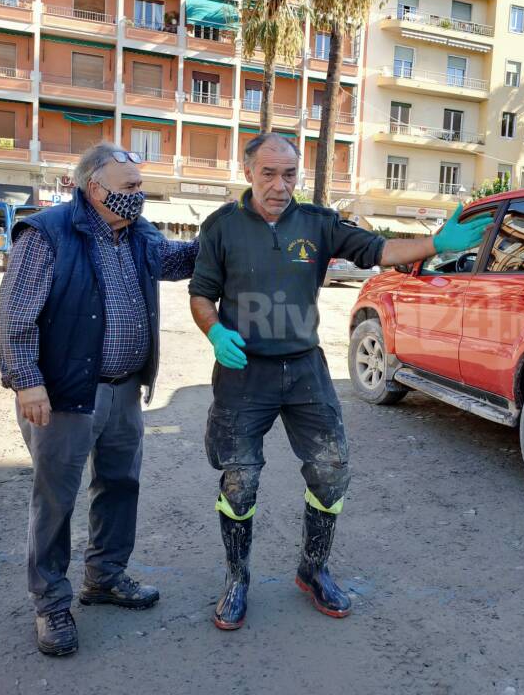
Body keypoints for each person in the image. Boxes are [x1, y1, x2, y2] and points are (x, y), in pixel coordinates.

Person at [188, 132, 492, 630]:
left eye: (290, 175)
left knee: (331, 471)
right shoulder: (220, 228)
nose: (280, 185)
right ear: (247, 172)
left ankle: (314, 569)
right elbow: (201, 294)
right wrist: (214, 330)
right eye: (269, 173)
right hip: (243, 373)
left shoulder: (318, 223)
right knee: (239, 481)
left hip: (305, 369)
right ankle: (237, 578)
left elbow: (376, 249)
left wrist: (435, 243)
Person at [0, 143, 199, 656]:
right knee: (56, 501)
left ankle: (105, 577)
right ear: (95, 188)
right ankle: (51, 603)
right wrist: (26, 381)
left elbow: (176, 262)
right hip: (65, 394)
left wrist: (227, 230)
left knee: (119, 485)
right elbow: (15, 314)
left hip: (125, 389)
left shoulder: (138, 235)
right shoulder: (48, 233)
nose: (139, 196)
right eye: (129, 188)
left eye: (140, 186)